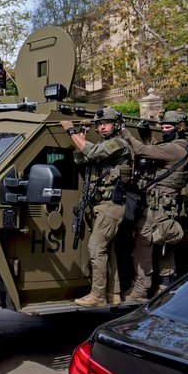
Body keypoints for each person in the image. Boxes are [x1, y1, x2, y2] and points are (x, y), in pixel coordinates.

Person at [61, 107, 133, 307]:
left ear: (116, 125)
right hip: (102, 205)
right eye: (99, 124)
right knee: (107, 250)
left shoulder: (118, 144)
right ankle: (113, 293)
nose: (101, 127)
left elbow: (90, 151)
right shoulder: (105, 145)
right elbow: (82, 158)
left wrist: (70, 131)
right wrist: (80, 136)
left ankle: (98, 295)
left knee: (96, 246)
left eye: (106, 123)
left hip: (112, 205)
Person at [119, 110, 188, 299]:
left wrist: (126, 133)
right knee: (163, 249)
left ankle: (142, 289)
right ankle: (163, 288)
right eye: (163, 127)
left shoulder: (175, 149)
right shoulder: (181, 147)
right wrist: (147, 135)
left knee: (144, 248)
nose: (164, 130)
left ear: (180, 128)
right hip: (164, 208)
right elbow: (153, 148)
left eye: (168, 127)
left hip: (156, 208)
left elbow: (142, 150)